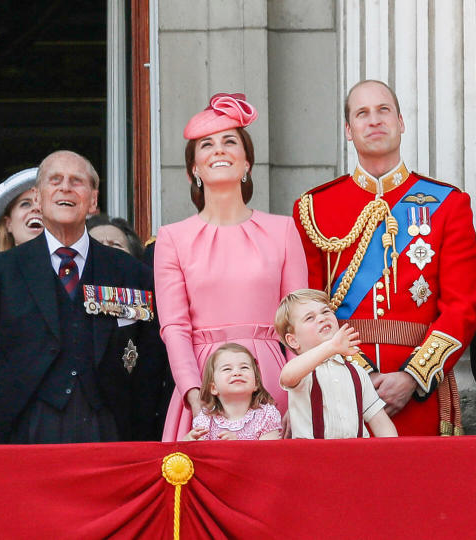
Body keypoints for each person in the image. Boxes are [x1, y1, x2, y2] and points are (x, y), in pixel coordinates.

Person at [293, 80, 476, 436]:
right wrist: (359, 376)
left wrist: (412, 377)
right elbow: (307, 306)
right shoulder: (314, 208)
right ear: (348, 130)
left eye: (383, 110)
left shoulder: (449, 204)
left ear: (401, 122)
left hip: (421, 390)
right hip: (341, 385)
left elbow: (462, 307)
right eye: (362, 113)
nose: (374, 120)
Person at [0, 150, 171, 444]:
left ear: (93, 200)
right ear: (38, 199)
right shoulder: (2, 271)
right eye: (55, 180)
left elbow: (151, 359)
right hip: (27, 429)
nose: (65, 187)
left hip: (112, 428)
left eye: (76, 181)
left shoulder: (131, 271)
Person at [153, 93, 308, 441]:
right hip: (204, 382)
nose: (218, 150)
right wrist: (195, 396)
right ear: (194, 167)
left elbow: (298, 324)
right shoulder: (171, 238)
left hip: (275, 377)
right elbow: (174, 327)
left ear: (247, 162)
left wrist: (300, 399)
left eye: (229, 141)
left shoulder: (283, 230)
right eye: (206, 144)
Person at [276, 289, 398, 439]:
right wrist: (331, 347)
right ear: (293, 340)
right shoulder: (302, 371)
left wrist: (393, 456)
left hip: (355, 457)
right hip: (312, 459)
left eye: (326, 311)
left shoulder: (357, 372)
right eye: (309, 318)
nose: (321, 318)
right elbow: (287, 376)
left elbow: (380, 422)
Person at [183, 343, 281, 441]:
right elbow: (201, 453)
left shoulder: (266, 415)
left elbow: (269, 452)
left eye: (244, 367)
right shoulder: (207, 418)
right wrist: (189, 441)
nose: (237, 373)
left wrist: (237, 446)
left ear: (256, 384)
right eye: (227, 369)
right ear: (214, 388)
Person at [0, 167, 43, 252]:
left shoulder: (67, 264)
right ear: (8, 223)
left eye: (44, 204)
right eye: (25, 204)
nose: (37, 208)